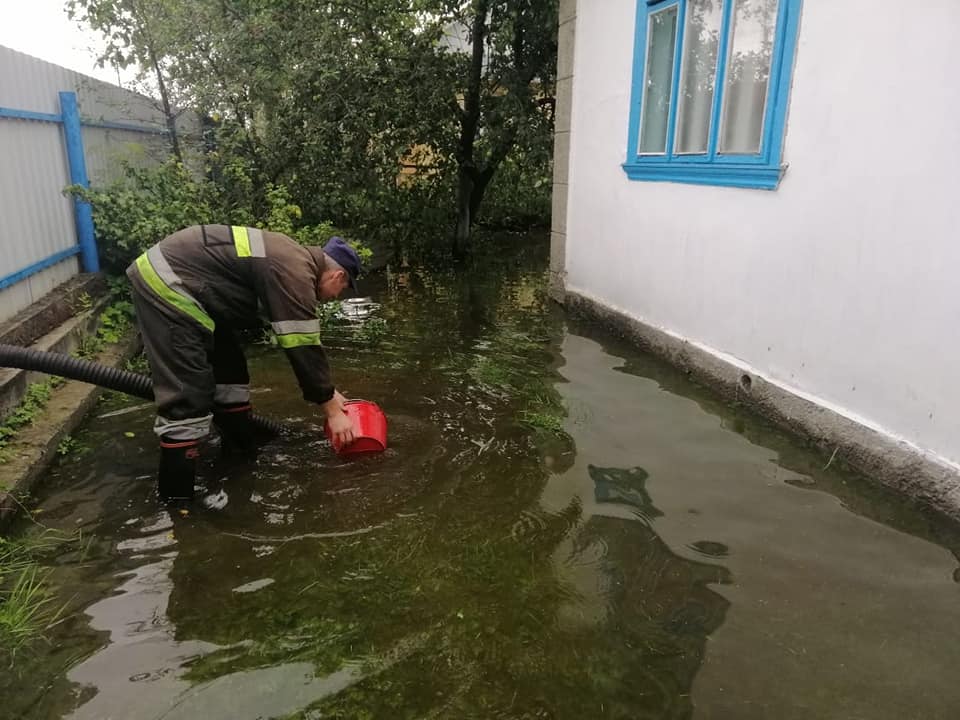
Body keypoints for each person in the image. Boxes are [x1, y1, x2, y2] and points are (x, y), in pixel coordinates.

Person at [125, 224, 362, 500]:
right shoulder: (296, 273)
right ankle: (178, 505)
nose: (335, 298)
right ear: (338, 274)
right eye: (342, 289)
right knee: (187, 396)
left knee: (232, 378)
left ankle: (239, 461)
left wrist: (330, 393)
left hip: (199, 292)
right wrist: (331, 409)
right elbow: (301, 345)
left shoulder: (294, 260)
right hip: (169, 283)